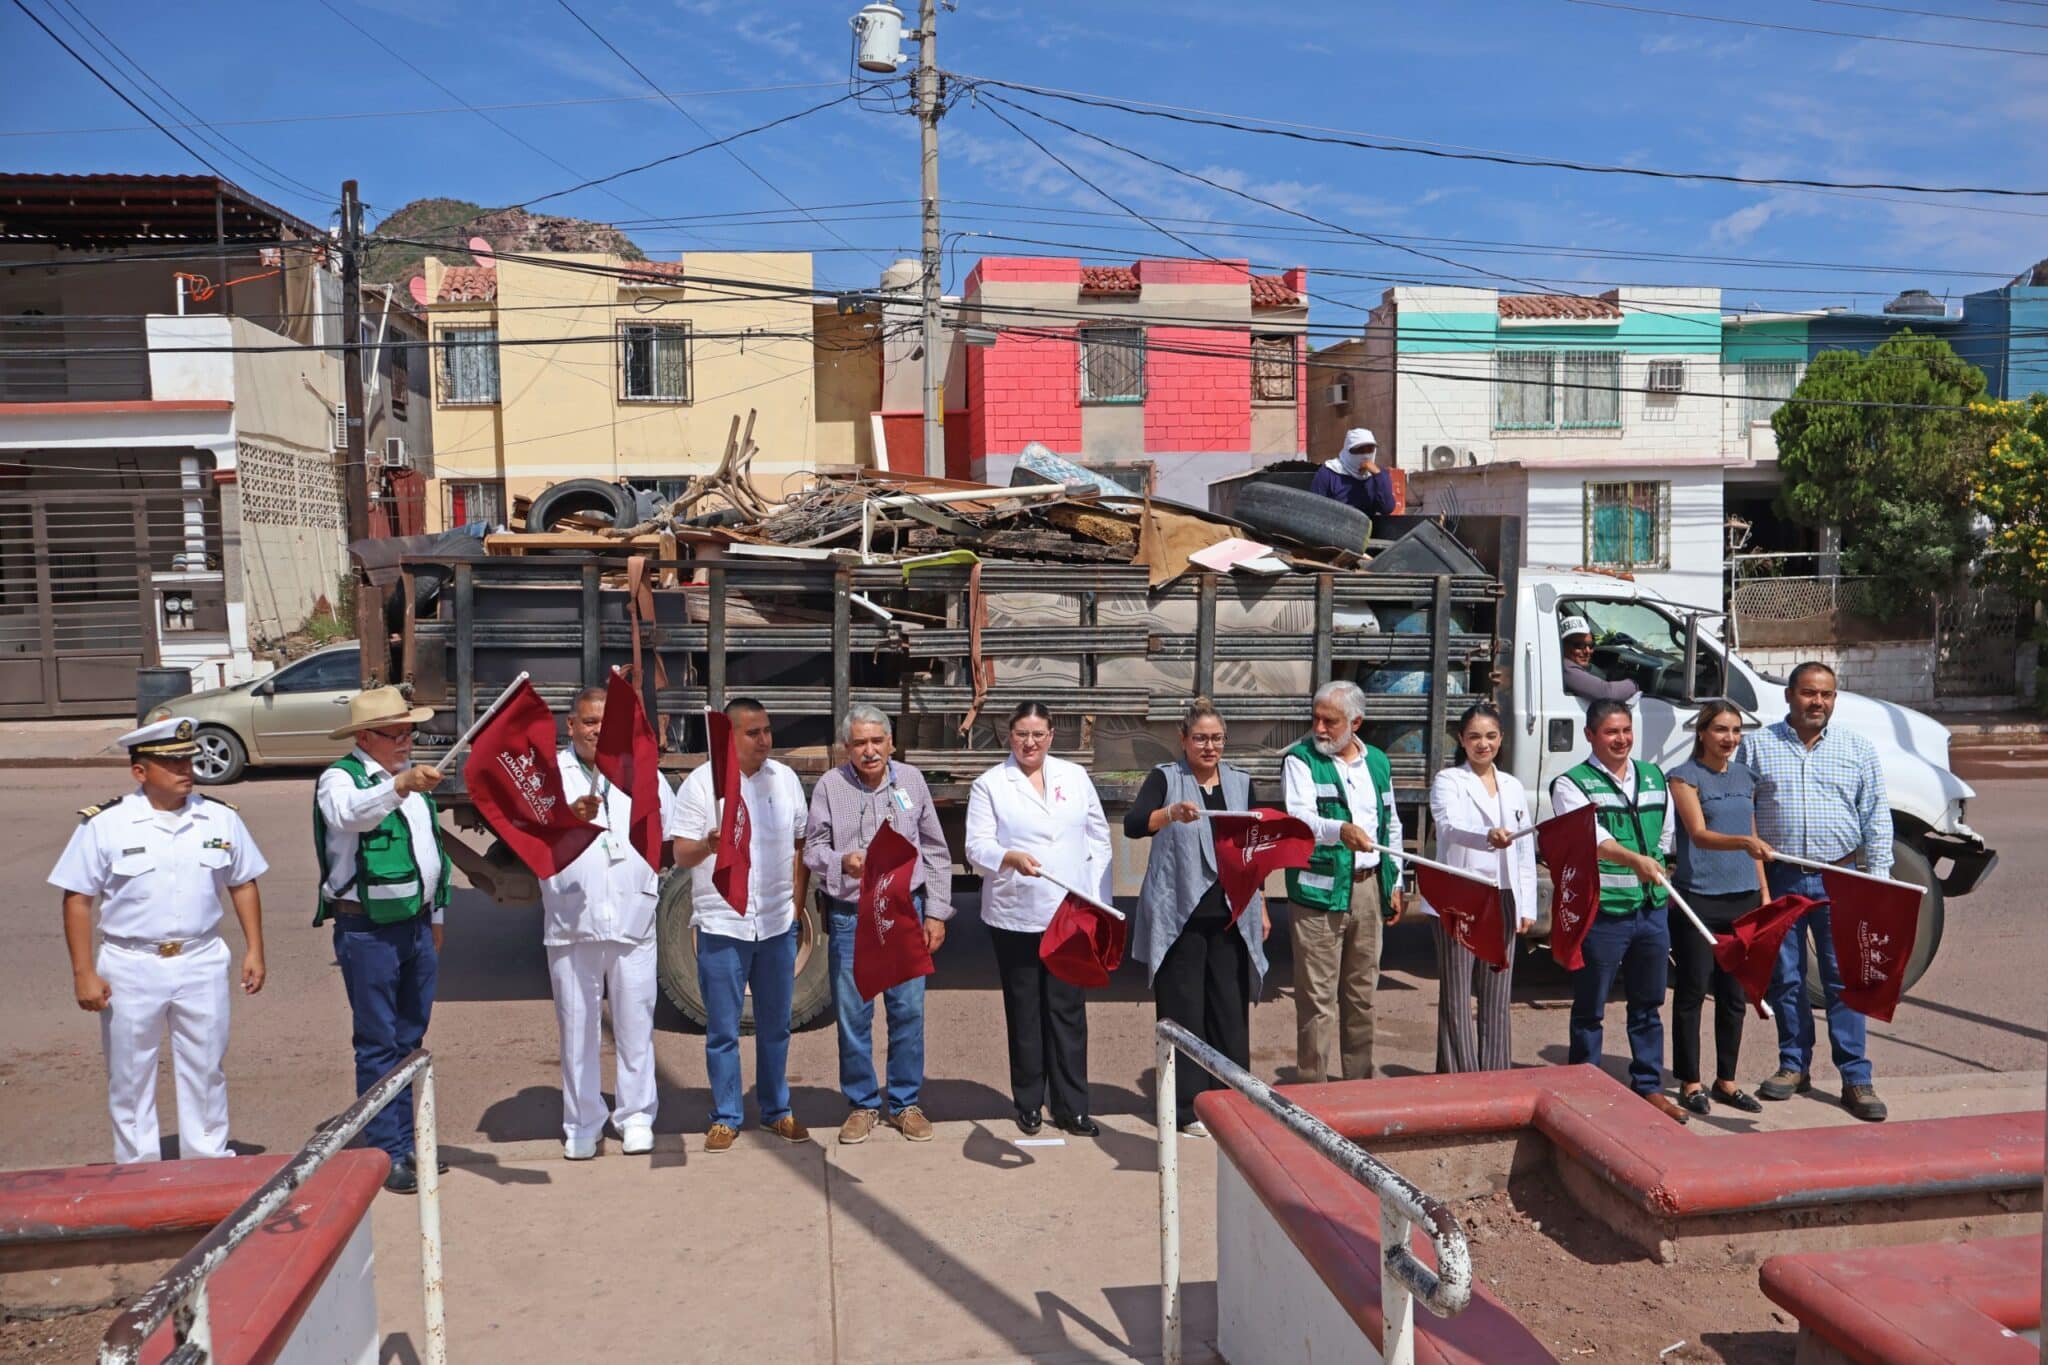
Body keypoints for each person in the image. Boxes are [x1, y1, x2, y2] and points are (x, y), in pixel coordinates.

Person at [49, 718, 267, 1165]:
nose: (186, 769)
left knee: (206, 1067)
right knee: (130, 1074)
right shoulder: (106, 824)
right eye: (172, 763)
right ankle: (137, 1166)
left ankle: (207, 1160)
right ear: (140, 771)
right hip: (131, 963)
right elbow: (78, 899)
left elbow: (243, 883)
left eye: (188, 759)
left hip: (201, 957)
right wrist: (83, 972)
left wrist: (255, 949)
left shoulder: (220, 817)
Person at [1738, 662, 1893, 1123]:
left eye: (1826, 694)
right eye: (1808, 693)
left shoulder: (1857, 748)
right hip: (1781, 877)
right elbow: (1743, 813)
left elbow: (1876, 815)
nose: (1817, 702)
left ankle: (1855, 1077)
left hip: (1840, 877)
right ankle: (1793, 1065)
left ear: (1834, 699)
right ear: (1789, 695)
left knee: (1845, 979)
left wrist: (1878, 879)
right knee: (1785, 977)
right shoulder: (1757, 747)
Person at [315, 687, 451, 1193]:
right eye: (395, 733)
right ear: (365, 737)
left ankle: (409, 1142)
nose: (405, 741)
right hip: (368, 929)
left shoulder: (410, 779)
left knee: (409, 1040)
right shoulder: (340, 779)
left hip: (416, 924)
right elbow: (350, 815)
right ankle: (384, 1152)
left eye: (408, 731)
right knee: (377, 1042)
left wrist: (437, 916)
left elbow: (430, 852)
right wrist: (399, 786)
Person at [804, 704, 953, 1146]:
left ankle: (905, 1103)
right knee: (854, 1015)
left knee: (909, 1011)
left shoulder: (912, 782)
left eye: (876, 741)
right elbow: (812, 849)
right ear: (845, 747)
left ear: (891, 743)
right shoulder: (830, 786)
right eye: (859, 743)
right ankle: (863, 1104)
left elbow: (935, 850)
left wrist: (936, 912)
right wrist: (841, 862)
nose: (869, 751)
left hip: (905, 911)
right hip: (852, 916)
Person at [965, 702, 1114, 1137]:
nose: (1029, 743)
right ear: (1008, 736)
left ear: (1051, 736)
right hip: (1017, 912)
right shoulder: (990, 784)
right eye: (1021, 734)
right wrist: (1008, 856)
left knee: (1068, 1009)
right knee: (1025, 1009)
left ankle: (1072, 1106)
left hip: (1070, 912)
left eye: (1038, 735)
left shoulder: (1075, 776)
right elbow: (976, 846)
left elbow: (1099, 837)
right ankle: (1029, 1101)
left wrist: (1097, 900)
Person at [669, 698, 811, 1152]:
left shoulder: (785, 780)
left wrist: (796, 907)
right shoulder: (701, 785)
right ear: (729, 737)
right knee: (723, 1030)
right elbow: (680, 853)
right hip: (723, 925)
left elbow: (801, 844)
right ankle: (727, 1115)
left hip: (775, 925)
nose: (764, 740)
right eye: (753, 733)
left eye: (767, 730)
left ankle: (777, 1110)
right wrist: (708, 845)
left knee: (776, 1026)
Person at [1124, 699, 1270, 1137]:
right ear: (1183, 740)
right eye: (1201, 738)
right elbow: (1134, 824)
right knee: (1184, 1011)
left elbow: (1255, 849)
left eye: (1217, 739)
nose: (1209, 747)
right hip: (1179, 916)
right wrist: (1170, 814)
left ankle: (1232, 1100)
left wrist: (1261, 903)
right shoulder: (1166, 778)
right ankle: (1187, 1109)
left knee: (1229, 1012)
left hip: (1231, 915)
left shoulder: (1241, 782)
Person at [542, 686, 672, 1161]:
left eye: (605, 722)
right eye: (589, 722)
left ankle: (636, 1117)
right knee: (577, 1029)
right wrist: (568, 820)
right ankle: (582, 1123)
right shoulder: (549, 775)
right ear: (571, 725)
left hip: (632, 919)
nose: (597, 730)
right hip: (573, 920)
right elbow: (531, 836)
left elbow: (668, 834)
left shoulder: (642, 771)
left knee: (636, 1026)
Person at [1550, 699, 1688, 1124]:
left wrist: (1657, 862)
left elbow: (1665, 834)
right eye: (1611, 732)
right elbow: (1592, 840)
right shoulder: (1570, 784)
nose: (1621, 739)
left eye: (1626, 730)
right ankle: (1584, 1088)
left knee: (1648, 1003)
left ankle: (1648, 1085)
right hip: (1604, 911)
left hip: (1651, 911)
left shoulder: (1653, 776)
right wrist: (1635, 861)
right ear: (1590, 735)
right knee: (1590, 1006)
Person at [1282, 680, 1405, 1083]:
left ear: (1356, 722)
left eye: (1329, 721)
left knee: (1362, 997)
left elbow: (1391, 824)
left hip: (1368, 888)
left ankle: (1358, 1089)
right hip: (1318, 895)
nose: (1319, 728)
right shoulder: (1300, 759)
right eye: (1316, 718)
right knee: (1317, 1002)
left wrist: (1396, 883)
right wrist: (1340, 830)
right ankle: (1313, 1092)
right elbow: (1299, 820)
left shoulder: (1378, 763)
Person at [1667, 701, 1770, 1117]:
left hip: (1743, 899)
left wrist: (1764, 893)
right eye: (1721, 730)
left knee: (1734, 995)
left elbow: (1753, 836)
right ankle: (1690, 1081)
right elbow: (1699, 834)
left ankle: (1726, 1081)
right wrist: (1744, 844)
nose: (1730, 738)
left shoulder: (1746, 777)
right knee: (1693, 990)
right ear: (1702, 733)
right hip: (1699, 900)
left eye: (1736, 730)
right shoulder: (1684, 777)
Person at [1425, 702, 1536, 1074]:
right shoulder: (1449, 781)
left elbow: (1524, 848)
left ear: (1501, 738)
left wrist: (1526, 904)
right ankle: (1460, 1076)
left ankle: (1496, 1073)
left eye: (1490, 736)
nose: (1482, 744)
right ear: (1461, 740)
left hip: (1503, 896)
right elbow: (1449, 827)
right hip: (1461, 897)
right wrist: (1487, 836)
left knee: (1497, 992)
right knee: (1456, 994)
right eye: (1474, 737)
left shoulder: (1512, 785)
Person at [1309, 427, 1397, 520]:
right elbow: (1315, 509)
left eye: (1370, 450)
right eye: (1360, 450)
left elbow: (1387, 508)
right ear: (1348, 451)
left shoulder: (1377, 475)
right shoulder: (1329, 473)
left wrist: (1378, 475)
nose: (1365, 456)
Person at [1559, 616, 1641, 704]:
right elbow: (1606, 693)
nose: (1588, 651)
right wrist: (1635, 683)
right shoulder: (1564, 668)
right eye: (1579, 646)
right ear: (1562, 644)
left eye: (1590, 645)